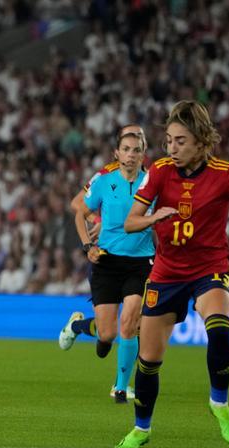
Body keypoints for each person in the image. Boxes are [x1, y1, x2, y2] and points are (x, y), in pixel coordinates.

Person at [116, 101, 229, 448]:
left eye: (180, 140)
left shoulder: (227, 173)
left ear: (201, 140)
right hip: (166, 274)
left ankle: (219, 403)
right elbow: (131, 221)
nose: (172, 148)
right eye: (168, 140)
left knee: (220, 326)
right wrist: (154, 218)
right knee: (149, 361)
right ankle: (142, 429)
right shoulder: (160, 172)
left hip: (209, 269)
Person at [59, 125, 153, 404]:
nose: (132, 153)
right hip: (108, 261)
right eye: (127, 148)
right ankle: (78, 326)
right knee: (107, 335)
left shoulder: (153, 180)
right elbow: (78, 206)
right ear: (118, 150)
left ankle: (121, 387)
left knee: (131, 322)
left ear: (144, 151)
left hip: (140, 262)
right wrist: (97, 226)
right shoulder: (104, 176)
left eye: (137, 148)